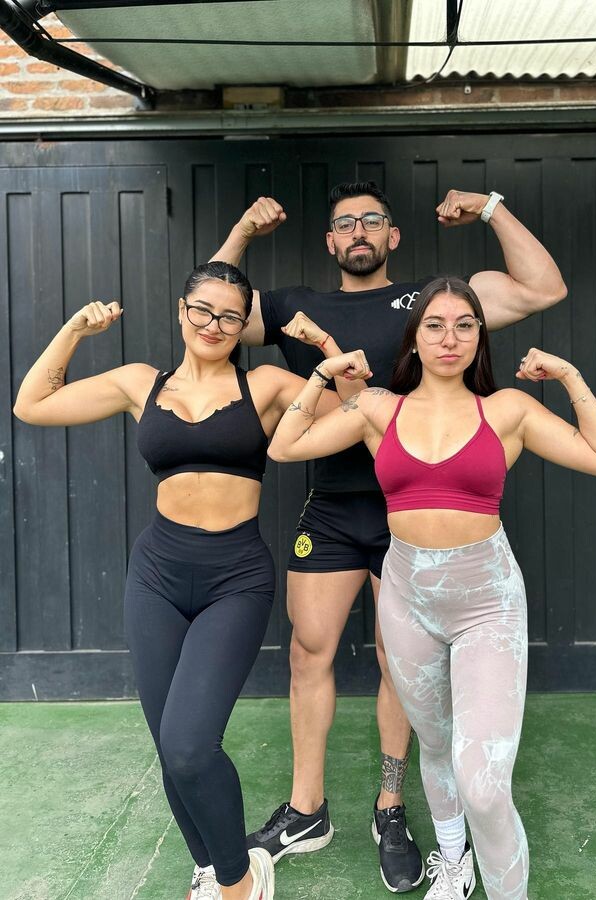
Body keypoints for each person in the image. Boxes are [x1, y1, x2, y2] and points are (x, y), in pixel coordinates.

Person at [211, 182, 567, 892]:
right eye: (345, 223)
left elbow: (542, 288)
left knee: (399, 665)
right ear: (330, 241)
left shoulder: (432, 306)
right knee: (308, 650)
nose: (359, 231)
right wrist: (243, 230)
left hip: (414, 514)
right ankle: (307, 810)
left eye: (372, 220)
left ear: (393, 236)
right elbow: (213, 312)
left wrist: (491, 208)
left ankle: (391, 806)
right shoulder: (295, 305)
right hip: (331, 508)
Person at [266, 275, 596, 900]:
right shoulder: (377, 408)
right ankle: (453, 859)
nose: (449, 338)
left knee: (483, 781)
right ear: (415, 337)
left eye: (465, 325)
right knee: (434, 744)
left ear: (480, 337)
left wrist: (571, 377)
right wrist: (323, 373)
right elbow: (285, 445)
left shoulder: (507, 410)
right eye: (434, 325)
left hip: (486, 602)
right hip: (408, 596)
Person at [12, 262, 367, 900]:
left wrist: (324, 347)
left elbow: (359, 410)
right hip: (157, 574)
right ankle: (212, 869)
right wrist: (74, 331)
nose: (214, 324)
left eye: (230, 316)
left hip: (236, 577)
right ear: (181, 311)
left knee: (188, 746)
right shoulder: (139, 383)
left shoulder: (265, 384)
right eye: (202, 310)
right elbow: (31, 403)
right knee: (168, 746)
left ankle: (239, 880)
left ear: (242, 325)